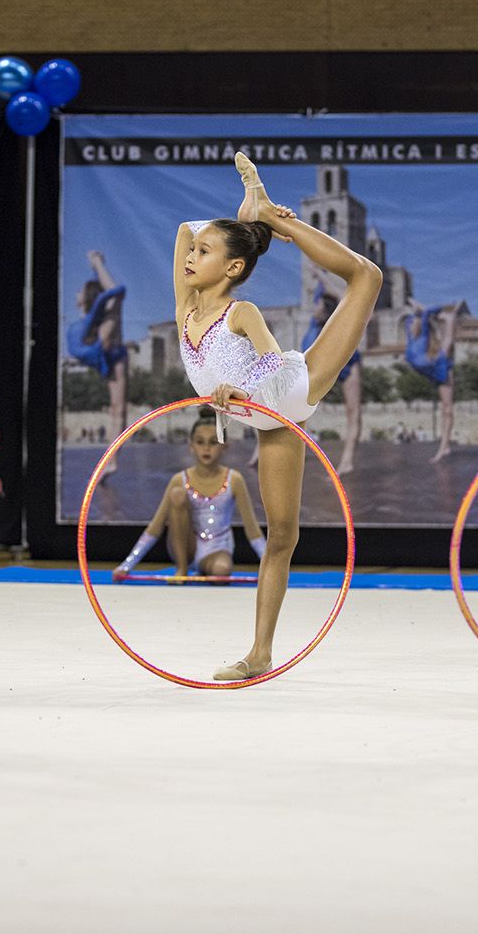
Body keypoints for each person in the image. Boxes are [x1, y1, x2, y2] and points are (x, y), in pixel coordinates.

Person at [174, 152, 382, 680]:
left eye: (205, 252)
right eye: (194, 252)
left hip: (288, 389)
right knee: (283, 535)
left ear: (235, 268)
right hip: (265, 422)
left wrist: (261, 220)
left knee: (367, 277)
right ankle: (260, 655)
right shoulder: (185, 309)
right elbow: (181, 229)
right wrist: (238, 221)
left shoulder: (240, 311)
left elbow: (268, 360)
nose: (191, 257)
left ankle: (271, 212)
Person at [112, 409, 266, 580]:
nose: (206, 448)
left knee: (222, 570)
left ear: (224, 446)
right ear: (191, 446)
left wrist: (270, 567)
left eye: (213, 442)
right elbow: (156, 526)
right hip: (185, 546)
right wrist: (126, 565)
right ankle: (182, 569)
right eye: (200, 442)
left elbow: (252, 529)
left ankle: (204, 566)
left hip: (217, 549)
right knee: (177, 494)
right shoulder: (179, 479)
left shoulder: (234, 479)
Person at [67, 250, 129, 477]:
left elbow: (116, 293)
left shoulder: (109, 314)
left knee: (117, 410)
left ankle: (112, 460)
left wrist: (97, 264)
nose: (75, 292)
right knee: (115, 410)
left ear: (88, 297)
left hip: (115, 357)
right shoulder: (86, 323)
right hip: (99, 355)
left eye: (79, 290)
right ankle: (110, 460)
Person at [303, 279, 363, 475]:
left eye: (318, 307)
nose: (314, 311)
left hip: (348, 364)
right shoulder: (314, 323)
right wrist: (319, 276)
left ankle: (348, 461)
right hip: (321, 367)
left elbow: (346, 299)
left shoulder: (338, 321)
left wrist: (322, 276)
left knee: (353, 412)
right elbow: (321, 288)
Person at [401, 298, 463, 462]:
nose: (413, 324)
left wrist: (441, 308)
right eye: (412, 323)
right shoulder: (410, 338)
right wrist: (415, 309)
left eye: (415, 323)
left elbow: (428, 312)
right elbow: (412, 318)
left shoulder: (424, 335)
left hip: (439, 368)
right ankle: (450, 317)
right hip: (431, 372)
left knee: (447, 409)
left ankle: (444, 447)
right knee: (446, 344)